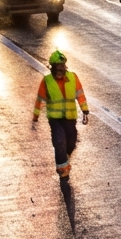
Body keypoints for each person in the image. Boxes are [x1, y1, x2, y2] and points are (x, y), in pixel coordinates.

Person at [32, 50, 89, 182]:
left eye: (62, 66)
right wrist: (36, 116)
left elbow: (80, 94)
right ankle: (63, 172)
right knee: (59, 142)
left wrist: (85, 110)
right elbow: (40, 99)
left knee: (71, 142)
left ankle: (65, 157)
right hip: (55, 119)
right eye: (58, 66)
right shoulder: (47, 81)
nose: (60, 68)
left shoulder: (73, 77)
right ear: (52, 67)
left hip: (70, 118)